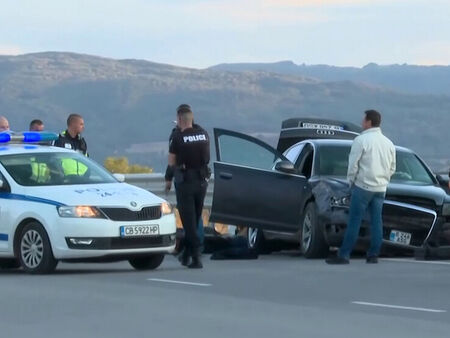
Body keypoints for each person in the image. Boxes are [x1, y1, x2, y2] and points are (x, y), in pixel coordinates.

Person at [326, 109, 396, 264]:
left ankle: (344, 254)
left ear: (369, 122)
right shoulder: (388, 143)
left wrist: (351, 181)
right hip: (381, 188)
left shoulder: (361, 140)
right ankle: (373, 254)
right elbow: (392, 168)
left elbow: (353, 164)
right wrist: (384, 180)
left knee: (355, 220)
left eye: (363, 120)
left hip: (363, 186)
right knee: (377, 221)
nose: (361, 122)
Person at [165, 104, 210, 269]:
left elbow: (171, 162)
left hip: (185, 182)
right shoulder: (204, 134)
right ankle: (186, 254)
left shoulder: (177, 137)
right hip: (202, 181)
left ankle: (196, 257)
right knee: (196, 217)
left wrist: (168, 178)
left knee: (188, 221)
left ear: (178, 119)